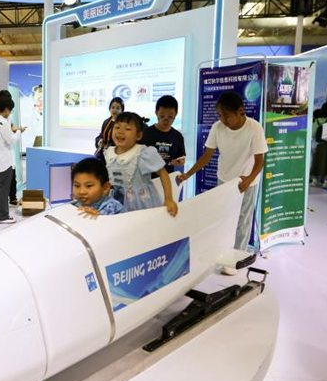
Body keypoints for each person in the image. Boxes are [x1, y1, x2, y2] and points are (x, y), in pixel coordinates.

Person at [176, 91, 268, 272]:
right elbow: (206, 157)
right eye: (219, 115)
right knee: (223, 217)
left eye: (226, 115)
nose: (222, 119)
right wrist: (188, 174)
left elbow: (259, 161)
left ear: (240, 111)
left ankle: (237, 258)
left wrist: (249, 179)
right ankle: (222, 252)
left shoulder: (254, 128)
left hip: (246, 181)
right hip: (224, 179)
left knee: (243, 220)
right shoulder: (217, 128)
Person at [103, 112, 177, 216]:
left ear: (138, 135)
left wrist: (168, 198)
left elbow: (163, 173)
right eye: (117, 127)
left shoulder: (142, 153)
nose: (120, 132)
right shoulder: (109, 152)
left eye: (127, 129)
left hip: (140, 204)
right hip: (116, 202)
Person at [0, 93, 25, 224]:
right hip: (4, 161)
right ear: (7, 109)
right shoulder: (2, 122)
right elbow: (11, 140)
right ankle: (2, 216)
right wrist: (19, 131)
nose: (10, 113)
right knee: (3, 188)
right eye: (11, 110)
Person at [142, 95, 186, 172]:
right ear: (156, 113)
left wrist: (180, 162)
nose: (166, 120)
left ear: (175, 114)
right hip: (147, 179)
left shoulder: (177, 136)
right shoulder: (145, 133)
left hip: (168, 179)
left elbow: (181, 158)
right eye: (162, 116)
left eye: (170, 117)